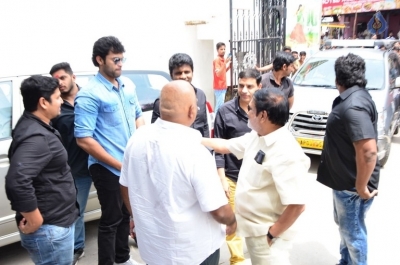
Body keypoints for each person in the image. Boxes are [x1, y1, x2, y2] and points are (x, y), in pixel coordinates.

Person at [120, 80, 237, 265]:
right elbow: (218, 209)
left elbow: (125, 184)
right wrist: (232, 221)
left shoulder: (137, 138)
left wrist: (136, 215)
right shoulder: (195, 152)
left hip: (153, 249)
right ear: (192, 111)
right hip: (193, 253)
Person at [202, 88, 310, 264]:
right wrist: (191, 138)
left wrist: (271, 234)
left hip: (268, 237)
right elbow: (225, 145)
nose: (247, 112)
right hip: (254, 231)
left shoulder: (287, 152)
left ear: (263, 116)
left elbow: (297, 205)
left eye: (251, 109)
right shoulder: (258, 136)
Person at [74, 36, 144, 265]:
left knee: (126, 213)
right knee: (111, 219)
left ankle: (122, 259)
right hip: (107, 168)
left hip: (129, 163)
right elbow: (84, 139)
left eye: (122, 59)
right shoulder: (89, 94)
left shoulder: (128, 86)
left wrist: (139, 151)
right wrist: (119, 164)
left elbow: (138, 117)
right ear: (99, 60)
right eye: (115, 60)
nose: (120, 64)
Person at [5, 75, 79, 265]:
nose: (61, 101)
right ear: (43, 102)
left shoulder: (36, 125)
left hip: (55, 224)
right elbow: (17, 181)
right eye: (57, 97)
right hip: (50, 230)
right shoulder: (37, 137)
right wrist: (35, 220)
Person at [317, 53, 380, 265]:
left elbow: (369, 151)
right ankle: (345, 261)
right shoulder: (358, 97)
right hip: (345, 181)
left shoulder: (353, 106)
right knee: (346, 227)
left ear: (337, 79)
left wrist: (361, 187)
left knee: (353, 233)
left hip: (352, 186)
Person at [214, 68, 262, 264]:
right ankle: (237, 260)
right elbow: (218, 147)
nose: (244, 90)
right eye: (241, 85)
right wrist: (222, 179)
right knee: (232, 223)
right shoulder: (225, 111)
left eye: (249, 86)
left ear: (259, 87)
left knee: (257, 222)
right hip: (232, 177)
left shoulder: (264, 110)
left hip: (257, 179)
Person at [49, 62, 91, 264]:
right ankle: (77, 247)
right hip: (76, 170)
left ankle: (128, 234)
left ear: (73, 77)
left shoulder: (89, 96)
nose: (60, 83)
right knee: (77, 211)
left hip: (101, 162)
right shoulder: (55, 107)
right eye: (55, 81)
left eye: (62, 78)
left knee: (116, 204)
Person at [151, 53, 209, 137]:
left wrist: (208, 149)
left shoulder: (200, 95)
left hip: (199, 147)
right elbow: (156, 132)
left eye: (187, 72)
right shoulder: (162, 102)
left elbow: (204, 125)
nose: (183, 76)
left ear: (192, 72)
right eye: (178, 73)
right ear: (171, 75)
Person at [213, 42, 232, 113]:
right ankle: (216, 121)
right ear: (217, 50)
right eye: (221, 49)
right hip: (219, 87)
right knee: (219, 105)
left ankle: (217, 120)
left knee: (220, 104)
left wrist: (228, 67)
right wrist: (225, 63)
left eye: (224, 49)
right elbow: (218, 74)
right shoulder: (217, 60)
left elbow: (222, 72)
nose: (223, 50)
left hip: (222, 86)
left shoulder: (222, 59)